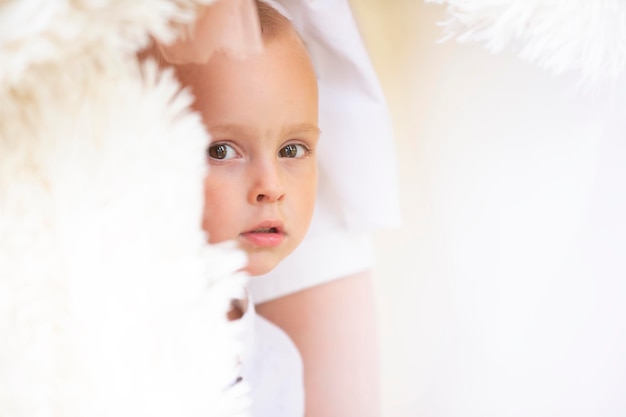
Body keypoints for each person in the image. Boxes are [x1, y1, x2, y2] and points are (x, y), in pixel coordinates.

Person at [172, 2, 319, 415]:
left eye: (292, 149)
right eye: (221, 151)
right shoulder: (99, 335)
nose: (270, 187)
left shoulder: (278, 360)